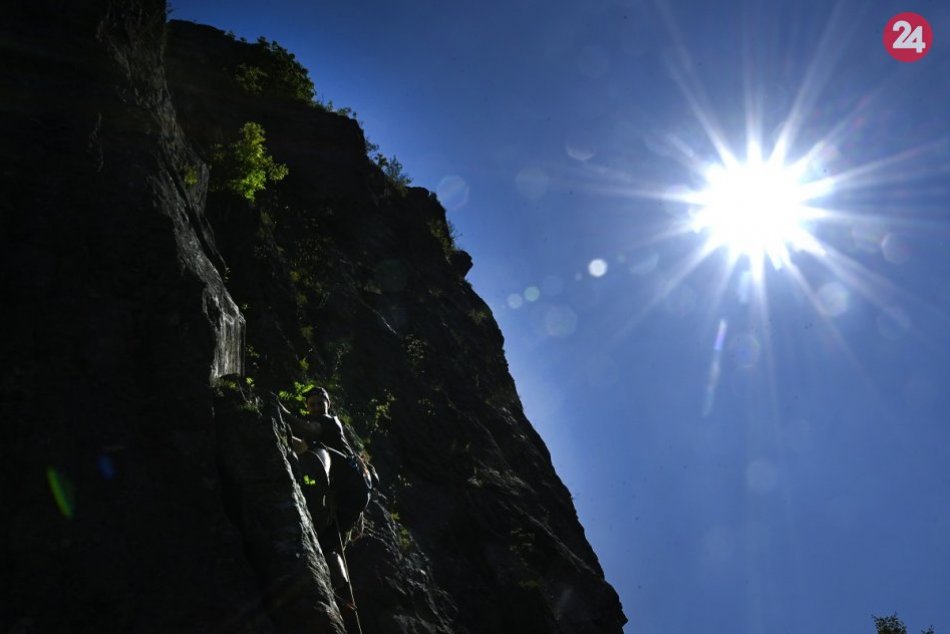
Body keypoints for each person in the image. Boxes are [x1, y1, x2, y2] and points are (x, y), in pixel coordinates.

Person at [277, 387, 372, 592]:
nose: (317, 408)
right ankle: (341, 588)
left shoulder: (330, 421)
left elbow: (309, 431)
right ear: (307, 407)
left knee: (315, 449)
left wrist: (281, 412)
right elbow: (301, 442)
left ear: (329, 405)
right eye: (312, 405)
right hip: (347, 494)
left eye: (320, 403)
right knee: (327, 542)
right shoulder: (316, 428)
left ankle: (339, 588)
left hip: (351, 489)